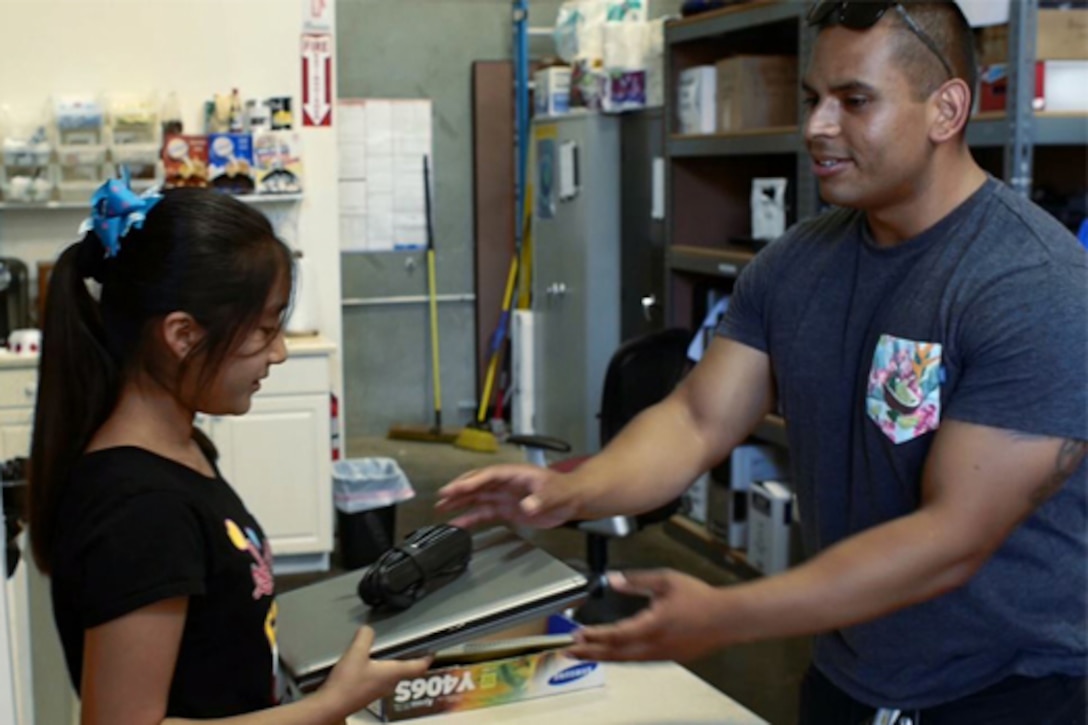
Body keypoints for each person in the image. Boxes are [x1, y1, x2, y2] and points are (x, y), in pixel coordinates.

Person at [438, 1, 1088, 722]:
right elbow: (695, 418)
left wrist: (732, 613)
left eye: (854, 100)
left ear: (947, 109)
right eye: (814, 98)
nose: (816, 126)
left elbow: (951, 537)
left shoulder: (1033, 285)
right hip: (849, 676)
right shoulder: (797, 265)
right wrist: (570, 490)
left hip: (1010, 691)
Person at [27, 175, 429, 724]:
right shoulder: (139, 509)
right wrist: (329, 707)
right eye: (264, 330)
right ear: (183, 335)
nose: (280, 352)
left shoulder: (184, 449)